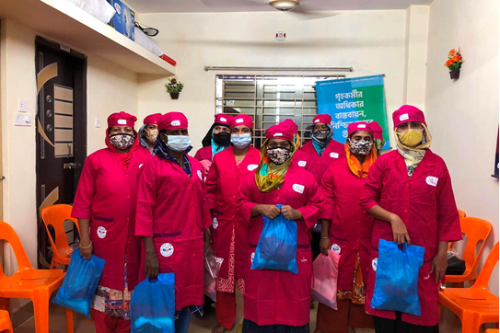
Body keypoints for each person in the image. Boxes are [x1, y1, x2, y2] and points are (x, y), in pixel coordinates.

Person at [360, 105, 462, 333]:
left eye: (415, 125)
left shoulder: (438, 165)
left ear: (423, 127)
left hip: (423, 253)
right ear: (396, 131)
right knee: (386, 315)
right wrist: (393, 218)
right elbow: (366, 200)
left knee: (421, 317)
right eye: (403, 126)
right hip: (387, 251)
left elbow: (447, 214)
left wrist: (442, 254)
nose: (410, 130)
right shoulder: (384, 163)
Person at [238, 121, 324, 333]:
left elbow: (319, 204)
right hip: (260, 249)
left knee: (293, 299)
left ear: (292, 146)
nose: (278, 149)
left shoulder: (305, 177)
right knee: (260, 298)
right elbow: (239, 203)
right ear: (266, 146)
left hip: (296, 250)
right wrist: (258, 208)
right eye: (273, 144)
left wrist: (299, 213)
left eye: (284, 145)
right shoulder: (255, 176)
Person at [72, 111, 151, 333]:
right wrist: (85, 241)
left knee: (133, 293)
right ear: (108, 133)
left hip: (137, 238)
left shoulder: (146, 158)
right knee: (105, 291)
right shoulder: (95, 160)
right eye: (117, 131)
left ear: (135, 134)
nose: (122, 135)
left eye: (127, 131)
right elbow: (82, 202)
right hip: (104, 239)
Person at [135, 112, 212, 333]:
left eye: (183, 132)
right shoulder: (153, 166)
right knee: (163, 298)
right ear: (164, 136)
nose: (180, 136)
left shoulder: (195, 166)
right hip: (163, 245)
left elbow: (202, 201)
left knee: (186, 297)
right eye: (174, 132)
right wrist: (149, 251)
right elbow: (144, 208)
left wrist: (207, 230)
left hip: (192, 243)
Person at [315, 122, 378, 333]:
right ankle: (330, 328)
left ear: (373, 142)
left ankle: (359, 326)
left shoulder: (381, 168)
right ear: (348, 142)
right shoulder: (335, 168)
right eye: (357, 138)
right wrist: (324, 236)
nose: (362, 143)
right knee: (334, 285)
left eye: (366, 139)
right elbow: (326, 203)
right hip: (340, 237)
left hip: (371, 239)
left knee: (368, 282)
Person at [205, 114, 260, 333]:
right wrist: (209, 222)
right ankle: (225, 319)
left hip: (252, 224)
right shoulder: (220, 158)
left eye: (244, 130)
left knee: (252, 273)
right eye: (235, 131)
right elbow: (210, 191)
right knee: (223, 273)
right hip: (223, 225)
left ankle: (251, 319)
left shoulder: (261, 157)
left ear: (251, 133)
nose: (239, 135)